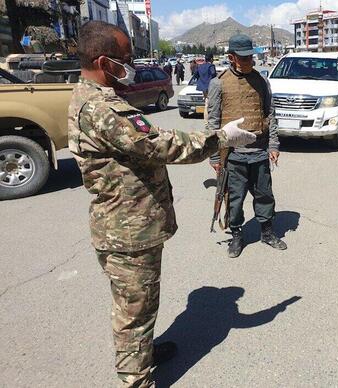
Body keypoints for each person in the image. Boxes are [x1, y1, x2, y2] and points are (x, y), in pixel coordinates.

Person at [67, 21, 256, 388]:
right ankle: (137, 380)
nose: (131, 63)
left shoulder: (90, 95)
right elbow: (159, 144)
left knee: (141, 304)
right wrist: (221, 138)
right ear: (104, 62)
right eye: (126, 58)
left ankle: (144, 353)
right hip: (127, 230)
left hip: (128, 223)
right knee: (133, 312)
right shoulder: (101, 106)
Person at [208, 34, 286, 258]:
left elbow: (270, 115)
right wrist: (214, 157)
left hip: (259, 152)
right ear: (231, 57)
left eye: (250, 57)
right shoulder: (218, 83)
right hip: (233, 155)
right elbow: (212, 123)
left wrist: (273, 145)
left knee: (264, 195)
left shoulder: (262, 81)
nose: (249, 61)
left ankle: (267, 232)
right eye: (243, 58)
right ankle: (236, 236)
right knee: (235, 198)